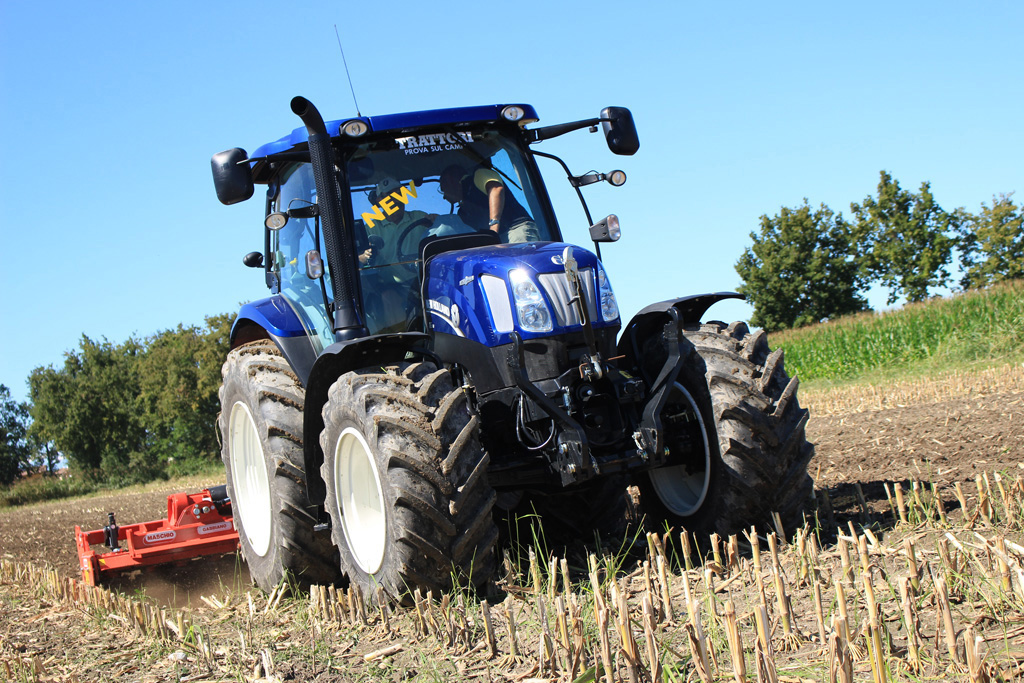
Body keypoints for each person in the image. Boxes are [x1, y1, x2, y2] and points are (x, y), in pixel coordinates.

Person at [439, 165, 539, 243]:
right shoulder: (463, 211)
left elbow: (496, 189)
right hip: (496, 241)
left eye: (442, 189)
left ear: (449, 181)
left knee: (522, 265)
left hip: (516, 230)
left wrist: (493, 227)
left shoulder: (479, 174)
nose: (443, 197)